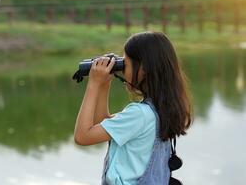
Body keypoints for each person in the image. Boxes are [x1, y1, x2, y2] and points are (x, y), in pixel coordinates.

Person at [74, 31, 193, 185]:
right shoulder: (158, 109)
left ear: (143, 68)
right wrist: (104, 84)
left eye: (125, 63)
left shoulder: (139, 114)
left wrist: (93, 85)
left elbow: (82, 136)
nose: (122, 69)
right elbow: (104, 125)